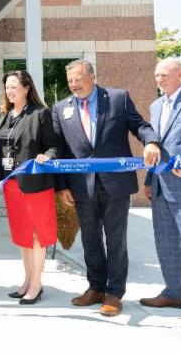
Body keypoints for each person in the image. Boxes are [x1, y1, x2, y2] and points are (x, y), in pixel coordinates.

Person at [52, 59, 160, 317]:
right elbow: (59, 147)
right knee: (89, 239)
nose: (73, 85)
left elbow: (140, 126)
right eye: (70, 81)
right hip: (81, 185)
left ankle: (114, 293)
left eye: (78, 79)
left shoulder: (117, 98)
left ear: (92, 77)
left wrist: (151, 142)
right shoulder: (60, 108)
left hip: (115, 184)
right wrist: (61, 184)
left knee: (115, 239)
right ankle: (96, 287)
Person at [0, 70, 58, 305]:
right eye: (7, 87)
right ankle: (27, 279)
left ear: (26, 88)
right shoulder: (5, 114)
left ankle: (36, 284)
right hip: (11, 184)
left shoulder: (40, 113)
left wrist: (46, 156)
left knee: (37, 234)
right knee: (22, 235)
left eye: (14, 87)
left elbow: (54, 146)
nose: (9, 91)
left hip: (35, 185)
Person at [140, 58, 181, 309]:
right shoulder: (156, 106)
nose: (159, 80)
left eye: (164, 75)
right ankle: (173, 293)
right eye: (157, 75)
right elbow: (154, 146)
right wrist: (149, 178)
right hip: (159, 186)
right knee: (166, 241)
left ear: (180, 74)